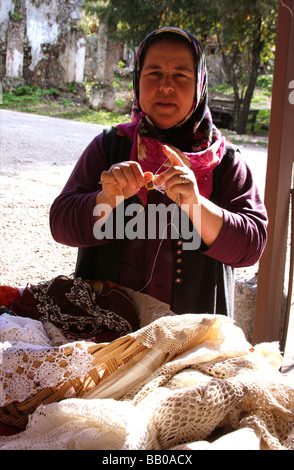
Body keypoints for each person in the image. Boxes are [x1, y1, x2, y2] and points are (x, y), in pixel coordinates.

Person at [50, 26, 268, 318]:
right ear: (137, 80)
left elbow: (251, 246)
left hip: (189, 344)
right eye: (153, 73)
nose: (166, 86)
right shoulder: (111, 146)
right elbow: (61, 224)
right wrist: (106, 198)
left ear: (199, 84)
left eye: (181, 75)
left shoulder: (225, 161)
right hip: (105, 339)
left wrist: (195, 204)